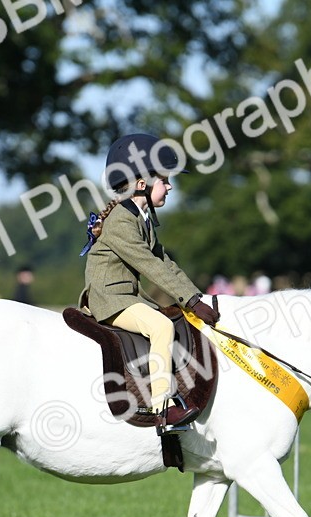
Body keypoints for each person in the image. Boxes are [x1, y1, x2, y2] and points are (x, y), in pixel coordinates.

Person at [79, 133, 220, 434]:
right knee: (161, 326)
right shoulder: (120, 220)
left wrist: (195, 298)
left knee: (173, 318)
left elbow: (165, 261)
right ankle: (162, 409)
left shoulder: (143, 216)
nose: (169, 186)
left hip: (128, 297)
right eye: (165, 180)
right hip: (110, 299)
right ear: (142, 183)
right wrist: (191, 301)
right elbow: (151, 266)